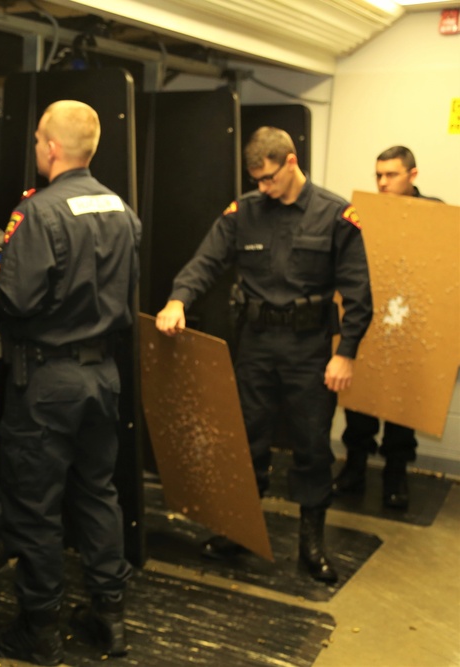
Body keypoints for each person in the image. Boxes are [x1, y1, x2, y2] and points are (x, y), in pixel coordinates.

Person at [155, 126, 373, 584]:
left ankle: (311, 544)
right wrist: (178, 299)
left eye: (269, 178)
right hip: (255, 344)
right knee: (246, 438)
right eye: (256, 179)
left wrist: (346, 353)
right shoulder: (244, 212)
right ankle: (239, 530)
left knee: (312, 446)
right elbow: (206, 261)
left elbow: (359, 294)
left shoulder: (335, 215)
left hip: (309, 349)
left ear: (291, 163)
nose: (262, 188)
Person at [0, 100, 141, 665]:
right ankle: (111, 613)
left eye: (36, 140)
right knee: (98, 490)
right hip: (104, 374)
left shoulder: (38, 213)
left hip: (48, 378)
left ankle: (40, 626)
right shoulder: (121, 208)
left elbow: (19, 302)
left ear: (51, 147)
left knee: (35, 504)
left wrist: (5, 278)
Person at [334, 146, 444, 510]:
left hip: (413, 319)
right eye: (378, 175)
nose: (382, 182)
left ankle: (395, 473)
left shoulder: (435, 214)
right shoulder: (363, 214)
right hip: (370, 315)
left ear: (412, 175)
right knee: (361, 397)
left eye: (391, 175)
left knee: (403, 402)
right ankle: (354, 467)